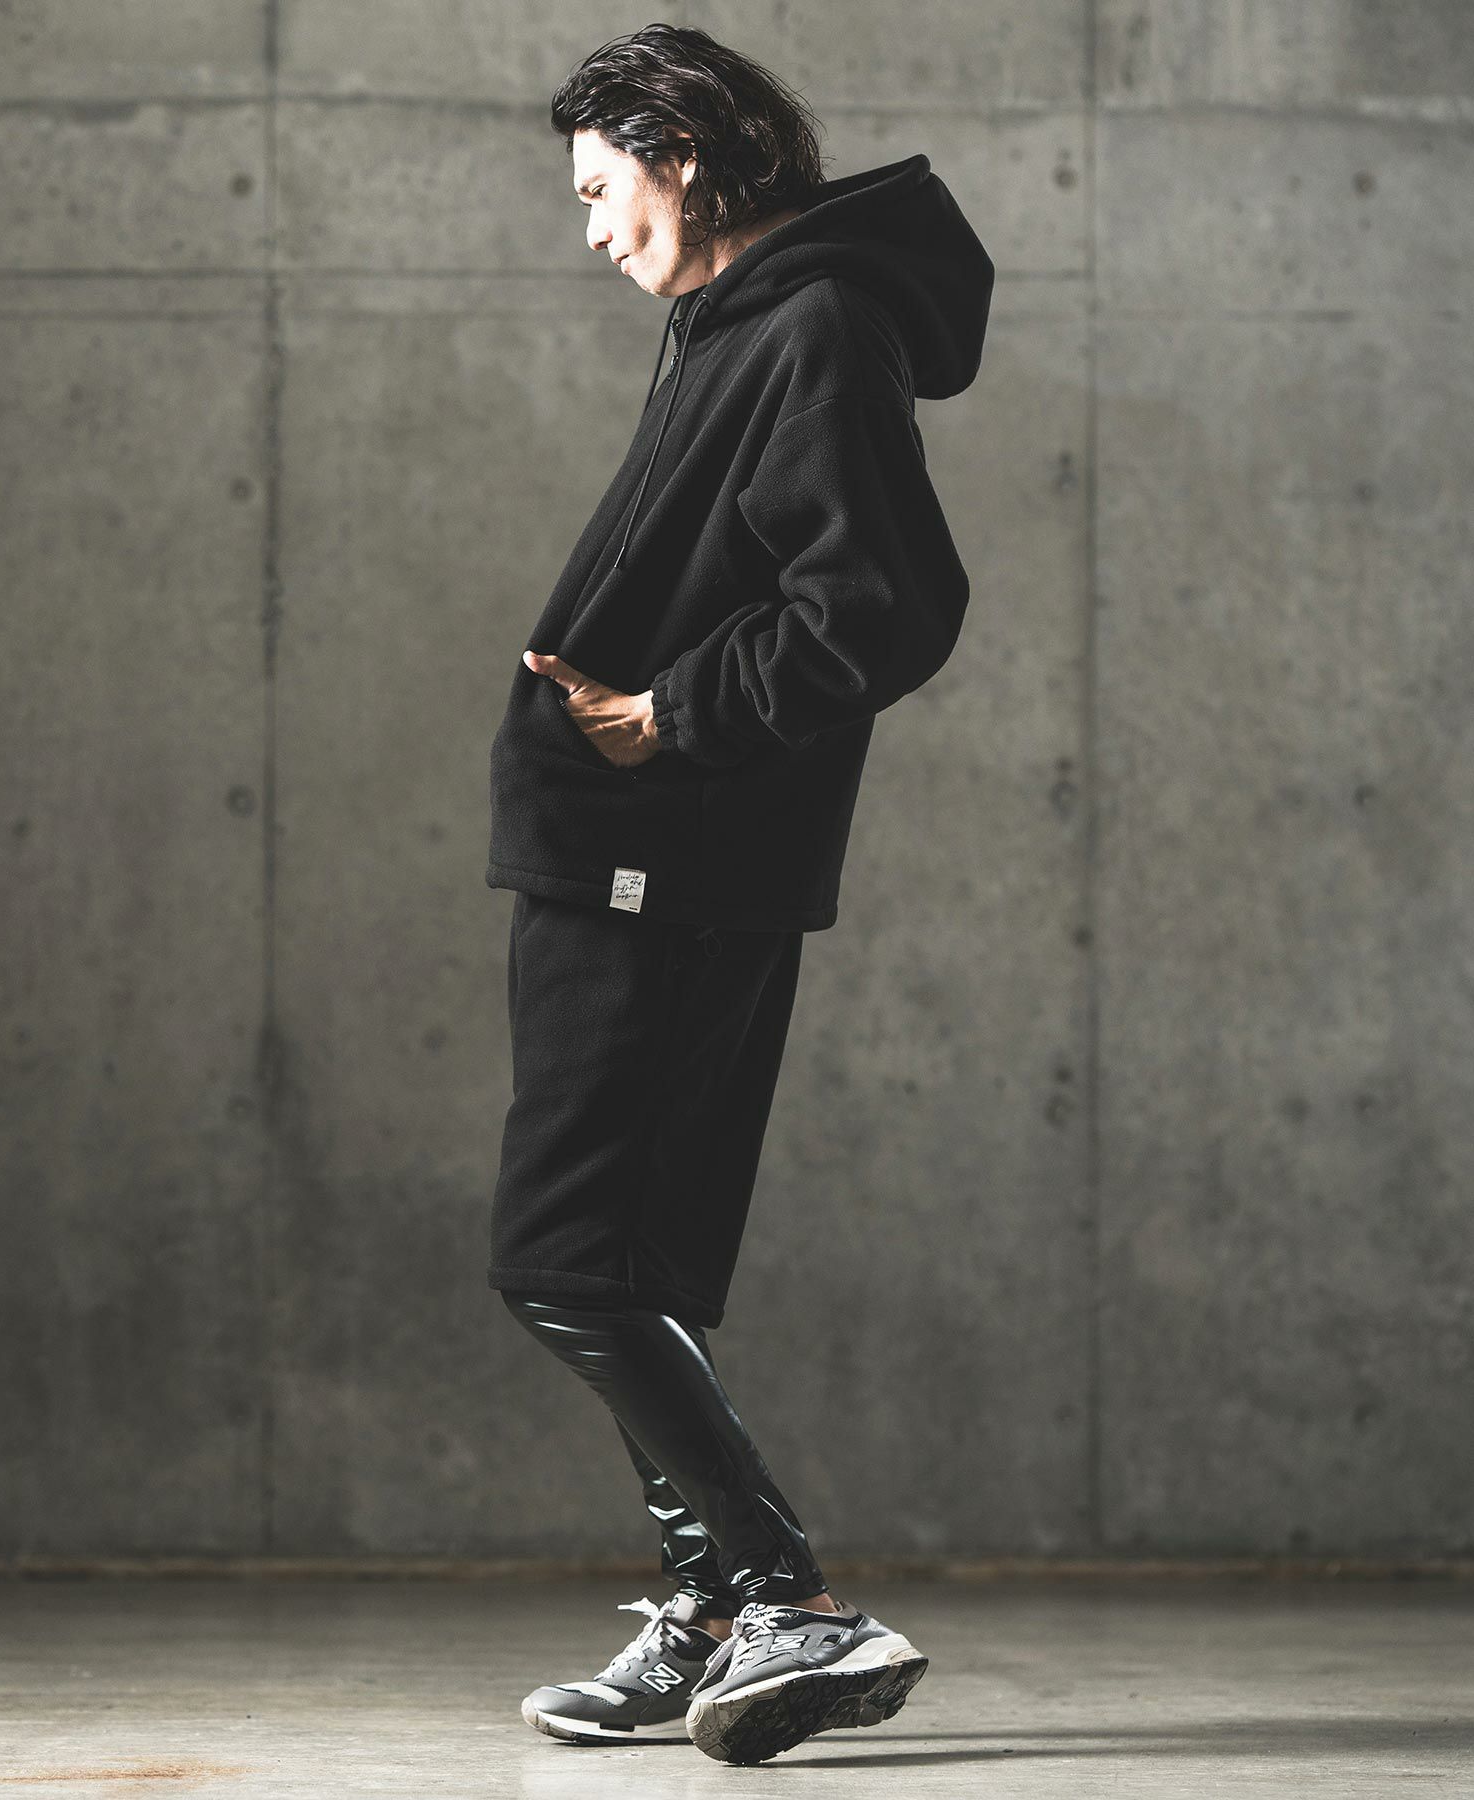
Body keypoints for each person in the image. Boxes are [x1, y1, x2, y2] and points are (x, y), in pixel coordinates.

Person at [484, 22, 994, 1766]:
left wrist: (670, 719)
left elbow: (887, 601)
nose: (590, 227)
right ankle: (713, 1609)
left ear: (682, 154)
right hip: (651, 859)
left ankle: (789, 1595)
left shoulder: (809, 324)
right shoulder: (742, 323)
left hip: (663, 861)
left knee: (563, 1256)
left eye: (599, 187)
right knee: (636, 1262)